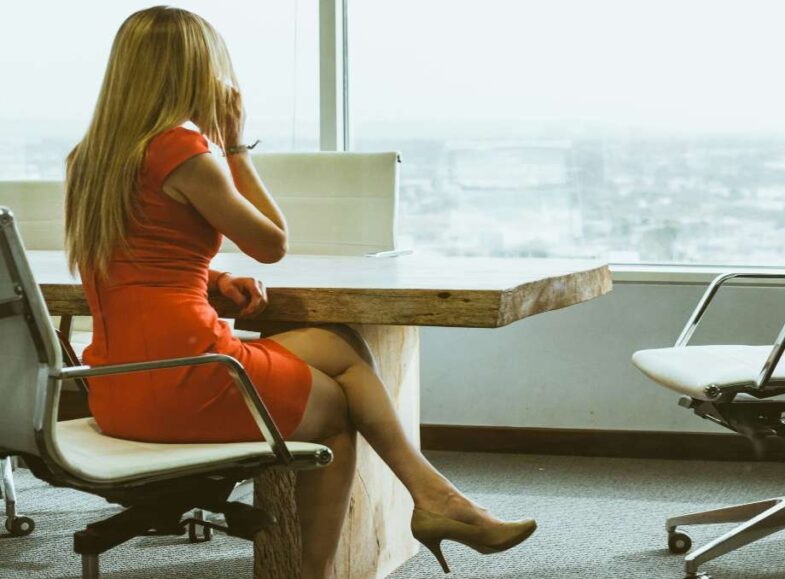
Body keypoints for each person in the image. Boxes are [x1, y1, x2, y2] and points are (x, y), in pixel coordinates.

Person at [63, 7, 535, 578]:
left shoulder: (90, 159)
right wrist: (236, 145)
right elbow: (271, 243)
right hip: (187, 373)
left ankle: (436, 498)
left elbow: (116, 261)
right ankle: (325, 568)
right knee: (336, 411)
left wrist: (210, 280)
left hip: (113, 386)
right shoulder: (182, 151)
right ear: (195, 70)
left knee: (339, 347)